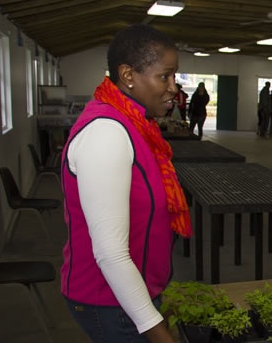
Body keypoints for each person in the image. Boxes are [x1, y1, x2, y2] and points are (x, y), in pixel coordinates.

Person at [60, 24, 189, 343]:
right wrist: (158, 332)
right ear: (128, 76)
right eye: (165, 76)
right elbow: (111, 253)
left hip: (129, 296)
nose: (174, 88)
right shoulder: (106, 133)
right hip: (109, 303)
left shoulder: (135, 127)